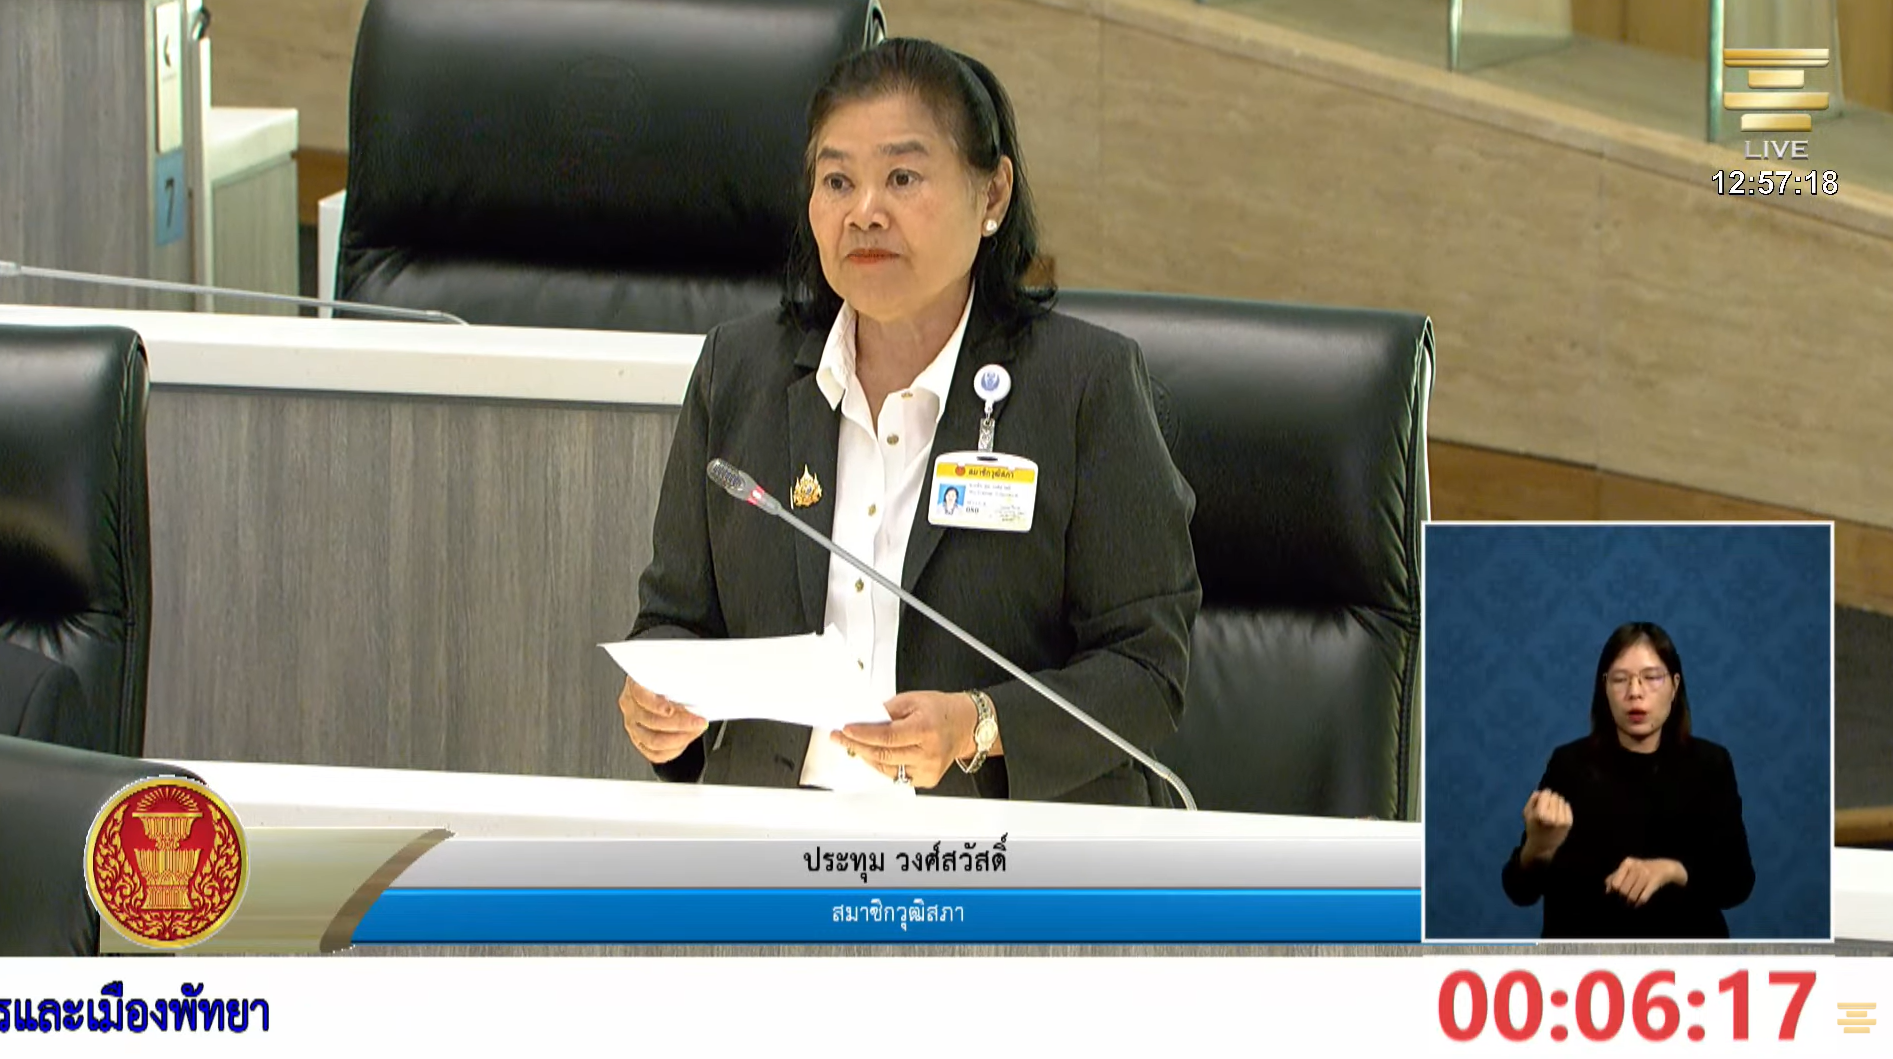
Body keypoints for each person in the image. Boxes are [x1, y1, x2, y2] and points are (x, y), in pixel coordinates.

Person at [615, 38, 1200, 806]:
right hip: (769, 832)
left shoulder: (1082, 384)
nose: (864, 211)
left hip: (997, 845)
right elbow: (672, 621)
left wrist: (979, 724)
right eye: (836, 181)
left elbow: (1147, 669)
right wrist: (658, 700)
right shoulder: (740, 370)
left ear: (991, 195)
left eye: (901, 177)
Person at [1500, 621, 1755, 938]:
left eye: (1652, 678)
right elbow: (1519, 891)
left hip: (1685, 958)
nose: (1635, 692)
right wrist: (1538, 848)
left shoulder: (1711, 764)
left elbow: (1737, 883)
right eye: (1620, 679)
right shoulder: (1569, 765)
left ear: (1674, 685)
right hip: (1583, 959)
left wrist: (1672, 870)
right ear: (1604, 687)